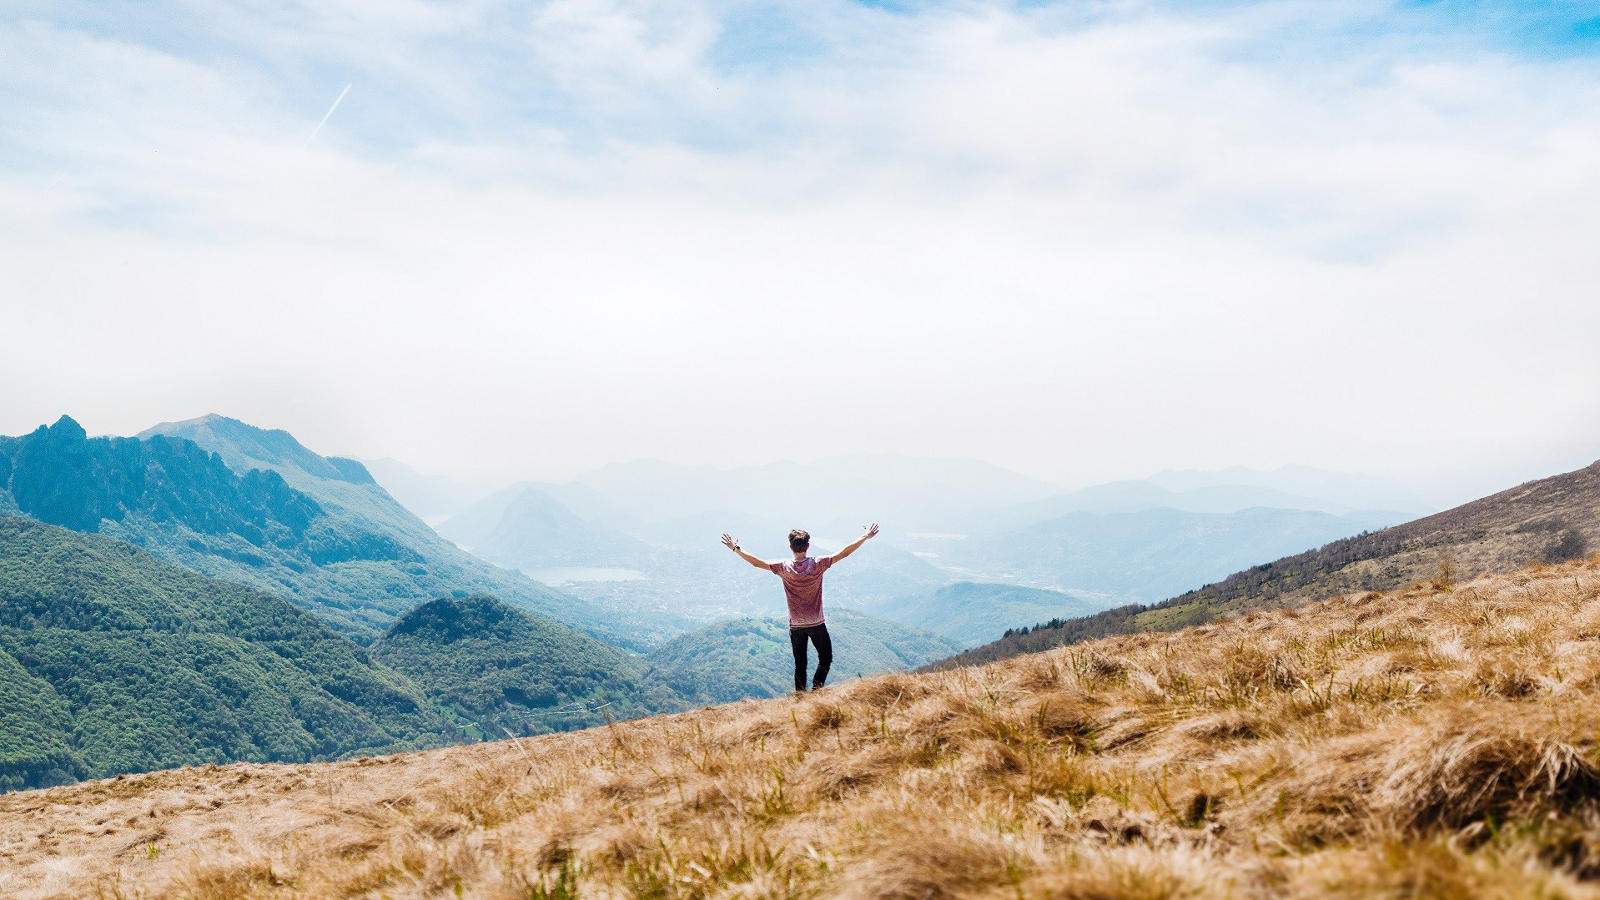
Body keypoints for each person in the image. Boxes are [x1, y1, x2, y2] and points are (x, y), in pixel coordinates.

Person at [720, 523, 880, 693]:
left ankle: (800, 698)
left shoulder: (784, 567)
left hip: (796, 626)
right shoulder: (818, 564)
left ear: (790, 547)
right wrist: (865, 536)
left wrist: (735, 548)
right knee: (825, 658)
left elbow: (757, 564)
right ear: (808, 546)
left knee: (800, 665)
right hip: (817, 623)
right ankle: (817, 690)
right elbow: (844, 553)